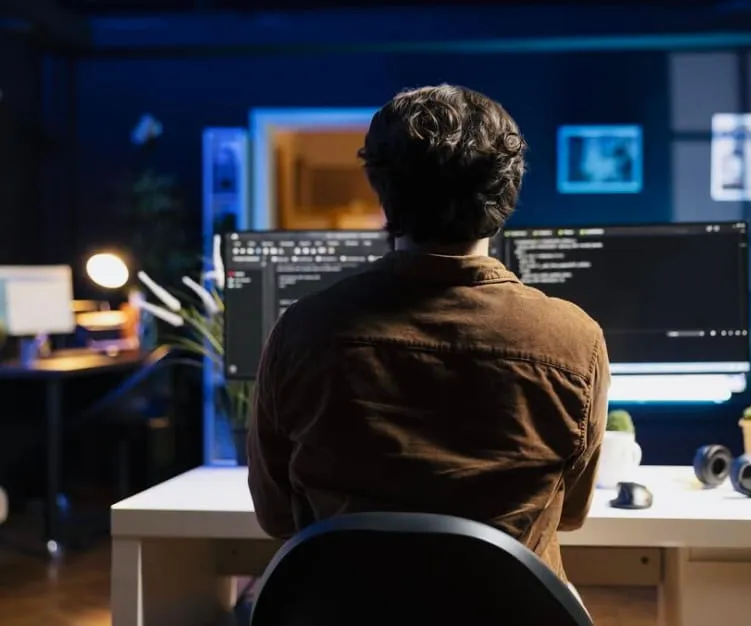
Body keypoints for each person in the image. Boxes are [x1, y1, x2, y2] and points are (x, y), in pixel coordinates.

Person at [247, 84, 610, 582]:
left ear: (382, 189)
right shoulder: (574, 340)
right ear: (507, 191)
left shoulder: (302, 332)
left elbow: (276, 517)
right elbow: (571, 513)